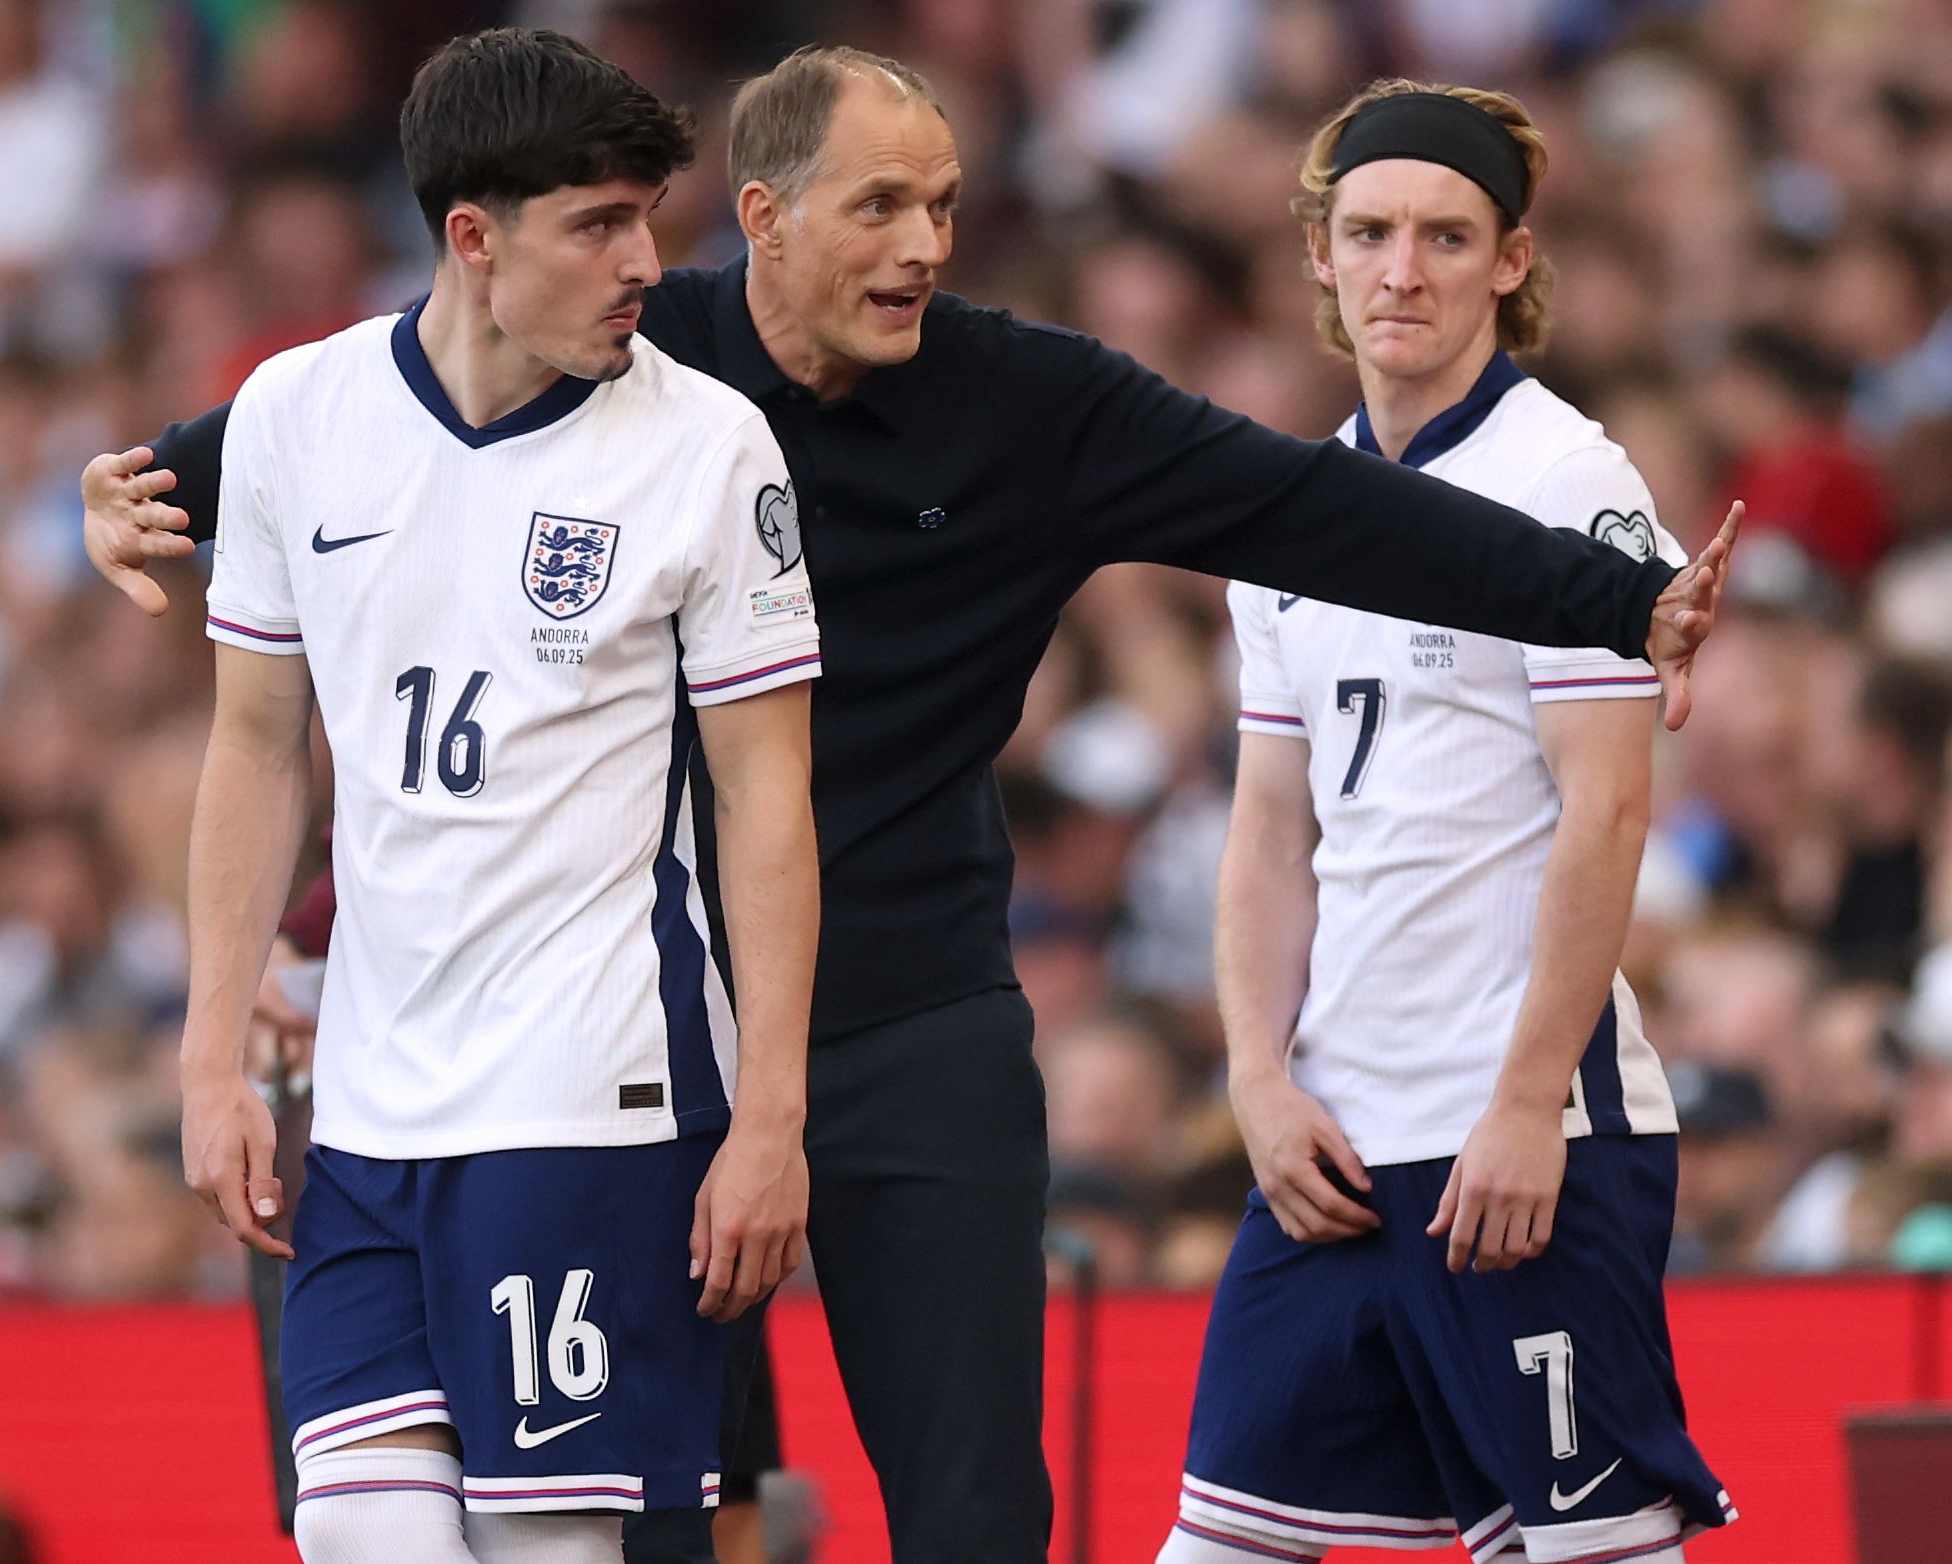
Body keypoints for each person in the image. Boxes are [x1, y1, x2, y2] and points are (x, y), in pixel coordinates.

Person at [85, 45, 1739, 1564]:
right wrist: (157, 476)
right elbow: (381, 413)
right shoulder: (632, 350)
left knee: (968, 1500)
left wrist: (1610, 600)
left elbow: (1311, 508)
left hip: (910, 1007)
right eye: (880, 205)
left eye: (944, 204)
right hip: (647, 1035)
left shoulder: (1034, 403)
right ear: (763, 222)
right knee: (665, 1504)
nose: (926, 245)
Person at [175, 30, 817, 1563]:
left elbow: (768, 798)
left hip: (590, 1095)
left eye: (649, 218)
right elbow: (257, 748)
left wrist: (772, 1119)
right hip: (372, 1098)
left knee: (543, 1551)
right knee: (353, 1536)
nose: (645, 261)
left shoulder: (708, 446)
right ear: (473, 237)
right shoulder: (292, 414)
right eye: (599, 224)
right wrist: (209, 1058)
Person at [1161, 83, 1732, 1564]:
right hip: (1338, 1142)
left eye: (1443, 234)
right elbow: (1272, 829)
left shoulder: (1568, 481)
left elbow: (1607, 815)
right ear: (1320, 255)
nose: (1400, 269)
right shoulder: (1286, 508)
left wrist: (1529, 1100)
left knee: (1597, 1552)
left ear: (1511, 261)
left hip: (1522, 1135)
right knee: (1216, 1543)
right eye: (1368, 232)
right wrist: (1256, 1077)